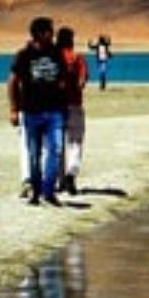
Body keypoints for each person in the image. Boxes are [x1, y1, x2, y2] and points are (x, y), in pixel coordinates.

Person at [9, 16, 72, 207]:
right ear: (39, 34)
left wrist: (65, 107)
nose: (53, 35)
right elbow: (13, 82)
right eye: (50, 32)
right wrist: (14, 109)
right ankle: (36, 191)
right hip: (31, 111)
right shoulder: (24, 55)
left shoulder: (56, 53)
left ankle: (49, 190)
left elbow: (63, 81)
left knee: (56, 150)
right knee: (34, 153)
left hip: (54, 112)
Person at [55, 27, 90, 195]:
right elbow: (83, 80)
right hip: (74, 105)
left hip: (55, 106)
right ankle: (71, 173)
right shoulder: (78, 58)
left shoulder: (53, 59)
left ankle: (60, 180)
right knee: (75, 141)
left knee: (57, 144)